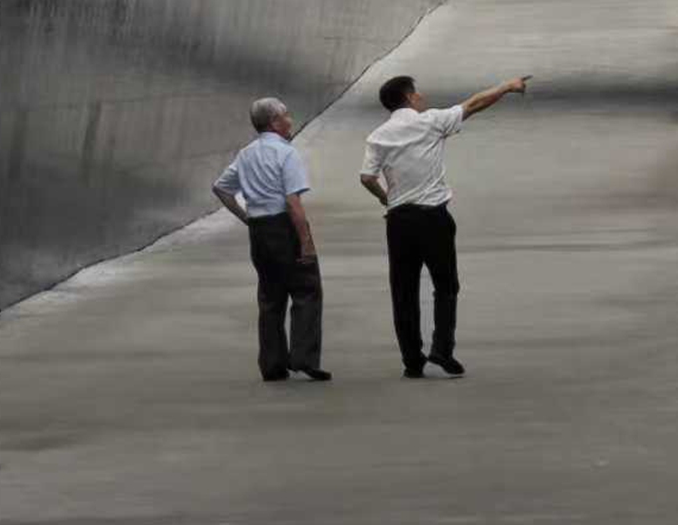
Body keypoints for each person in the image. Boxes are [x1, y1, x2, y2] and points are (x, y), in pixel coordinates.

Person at [359, 74, 530, 378]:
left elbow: (367, 177)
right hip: (433, 218)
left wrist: (387, 199)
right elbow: (474, 104)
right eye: (417, 93)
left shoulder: (377, 137)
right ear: (409, 97)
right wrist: (507, 87)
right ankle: (442, 349)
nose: (421, 97)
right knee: (446, 285)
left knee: (403, 291)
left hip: (399, 222)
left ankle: (412, 361)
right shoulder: (431, 122)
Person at [213, 97, 331, 382]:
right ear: (275, 122)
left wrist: (246, 217)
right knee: (306, 290)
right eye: (286, 115)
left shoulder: (246, 154)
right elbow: (293, 202)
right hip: (284, 226)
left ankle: (272, 364)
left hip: (259, 229)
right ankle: (304, 357)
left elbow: (221, 188)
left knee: (270, 297)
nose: (290, 120)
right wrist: (305, 241)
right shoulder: (286, 153)